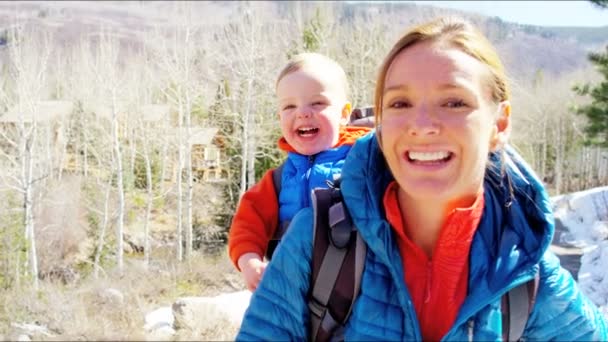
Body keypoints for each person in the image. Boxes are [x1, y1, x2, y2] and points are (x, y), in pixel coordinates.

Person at [236, 17, 608, 341]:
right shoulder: (316, 241)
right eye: (400, 104)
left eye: (454, 102)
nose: (423, 125)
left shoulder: (526, 273)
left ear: (499, 124)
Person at [227, 52, 371, 292]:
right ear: (279, 117)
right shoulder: (277, 180)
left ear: (344, 114)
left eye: (317, 103)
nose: (303, 113)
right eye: (289, 106)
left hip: (358, 292)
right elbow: (247, 224)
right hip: (294, 291)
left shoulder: (364, 164)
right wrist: (249, 261)